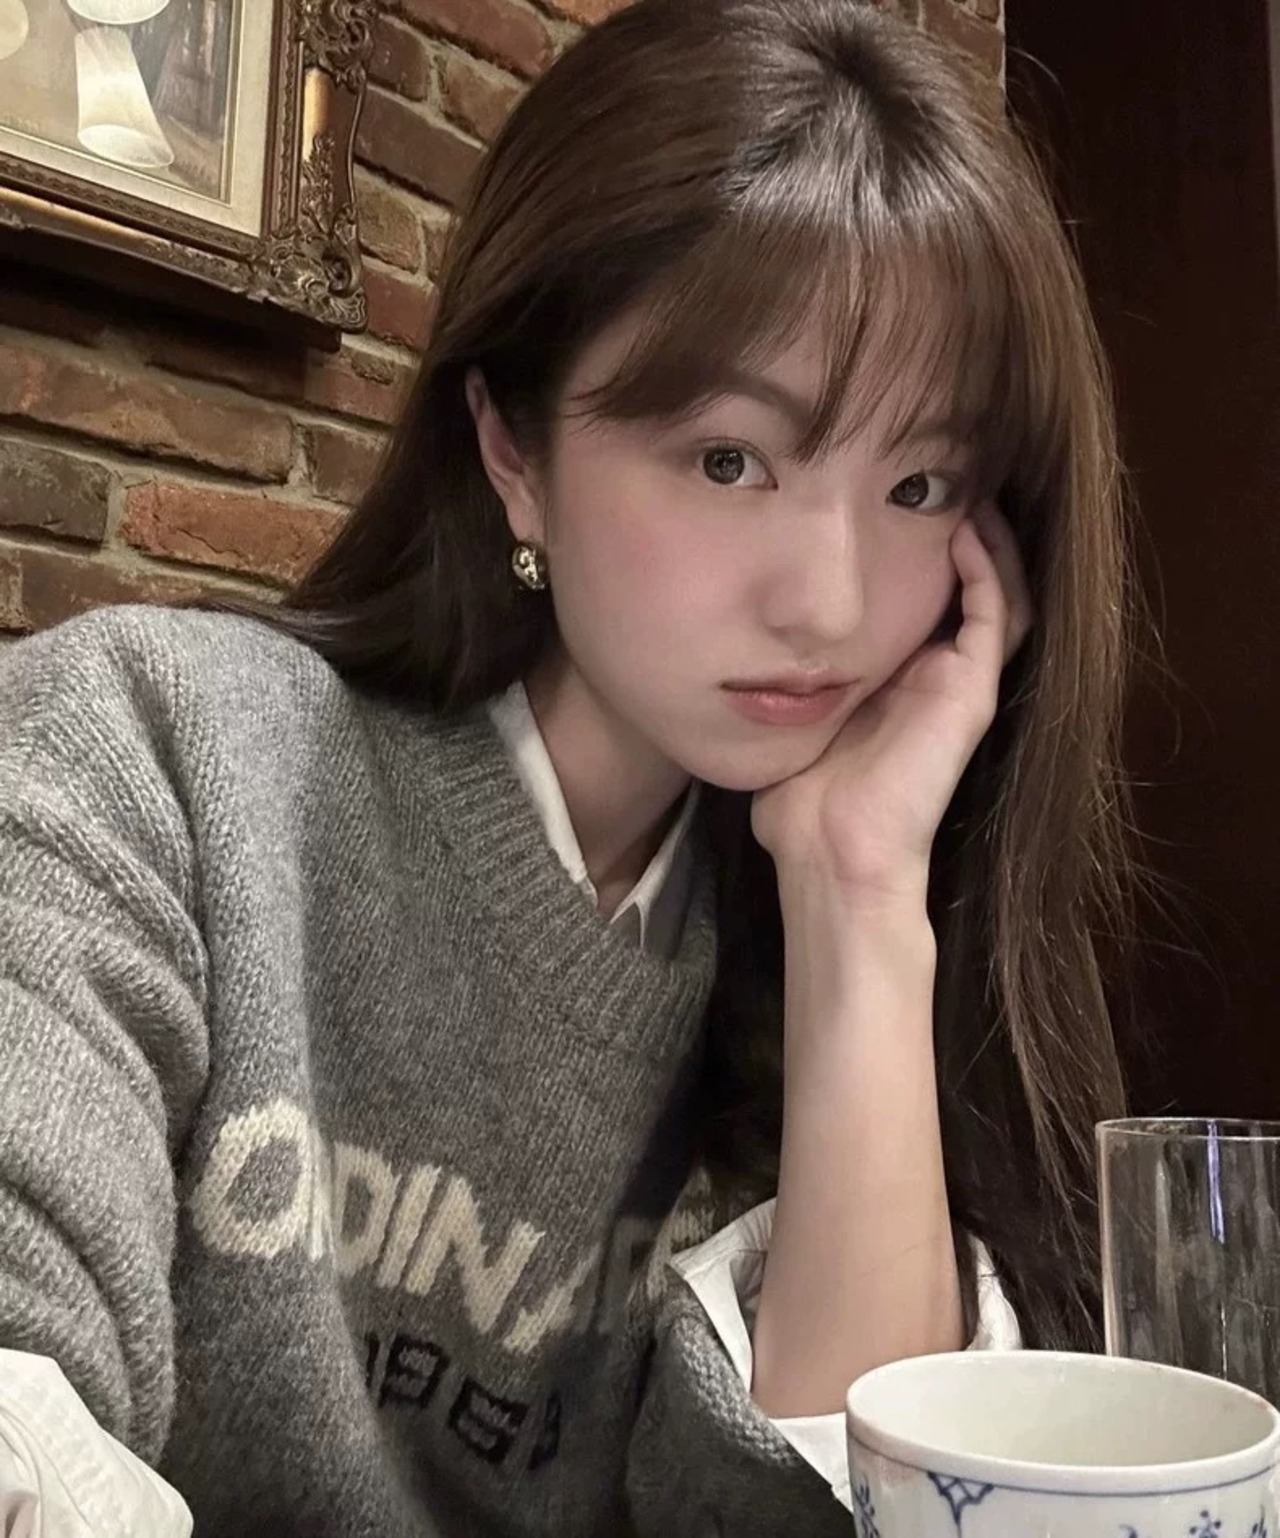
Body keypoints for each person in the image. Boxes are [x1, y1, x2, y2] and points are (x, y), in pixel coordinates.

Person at [0, 0, 1141, 1532]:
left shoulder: (841, 934)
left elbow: (851, 1508)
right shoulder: (158, 755)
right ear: (513, 450)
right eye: (730, 458)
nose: (832, 601)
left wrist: (859, 895)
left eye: (921, 482)